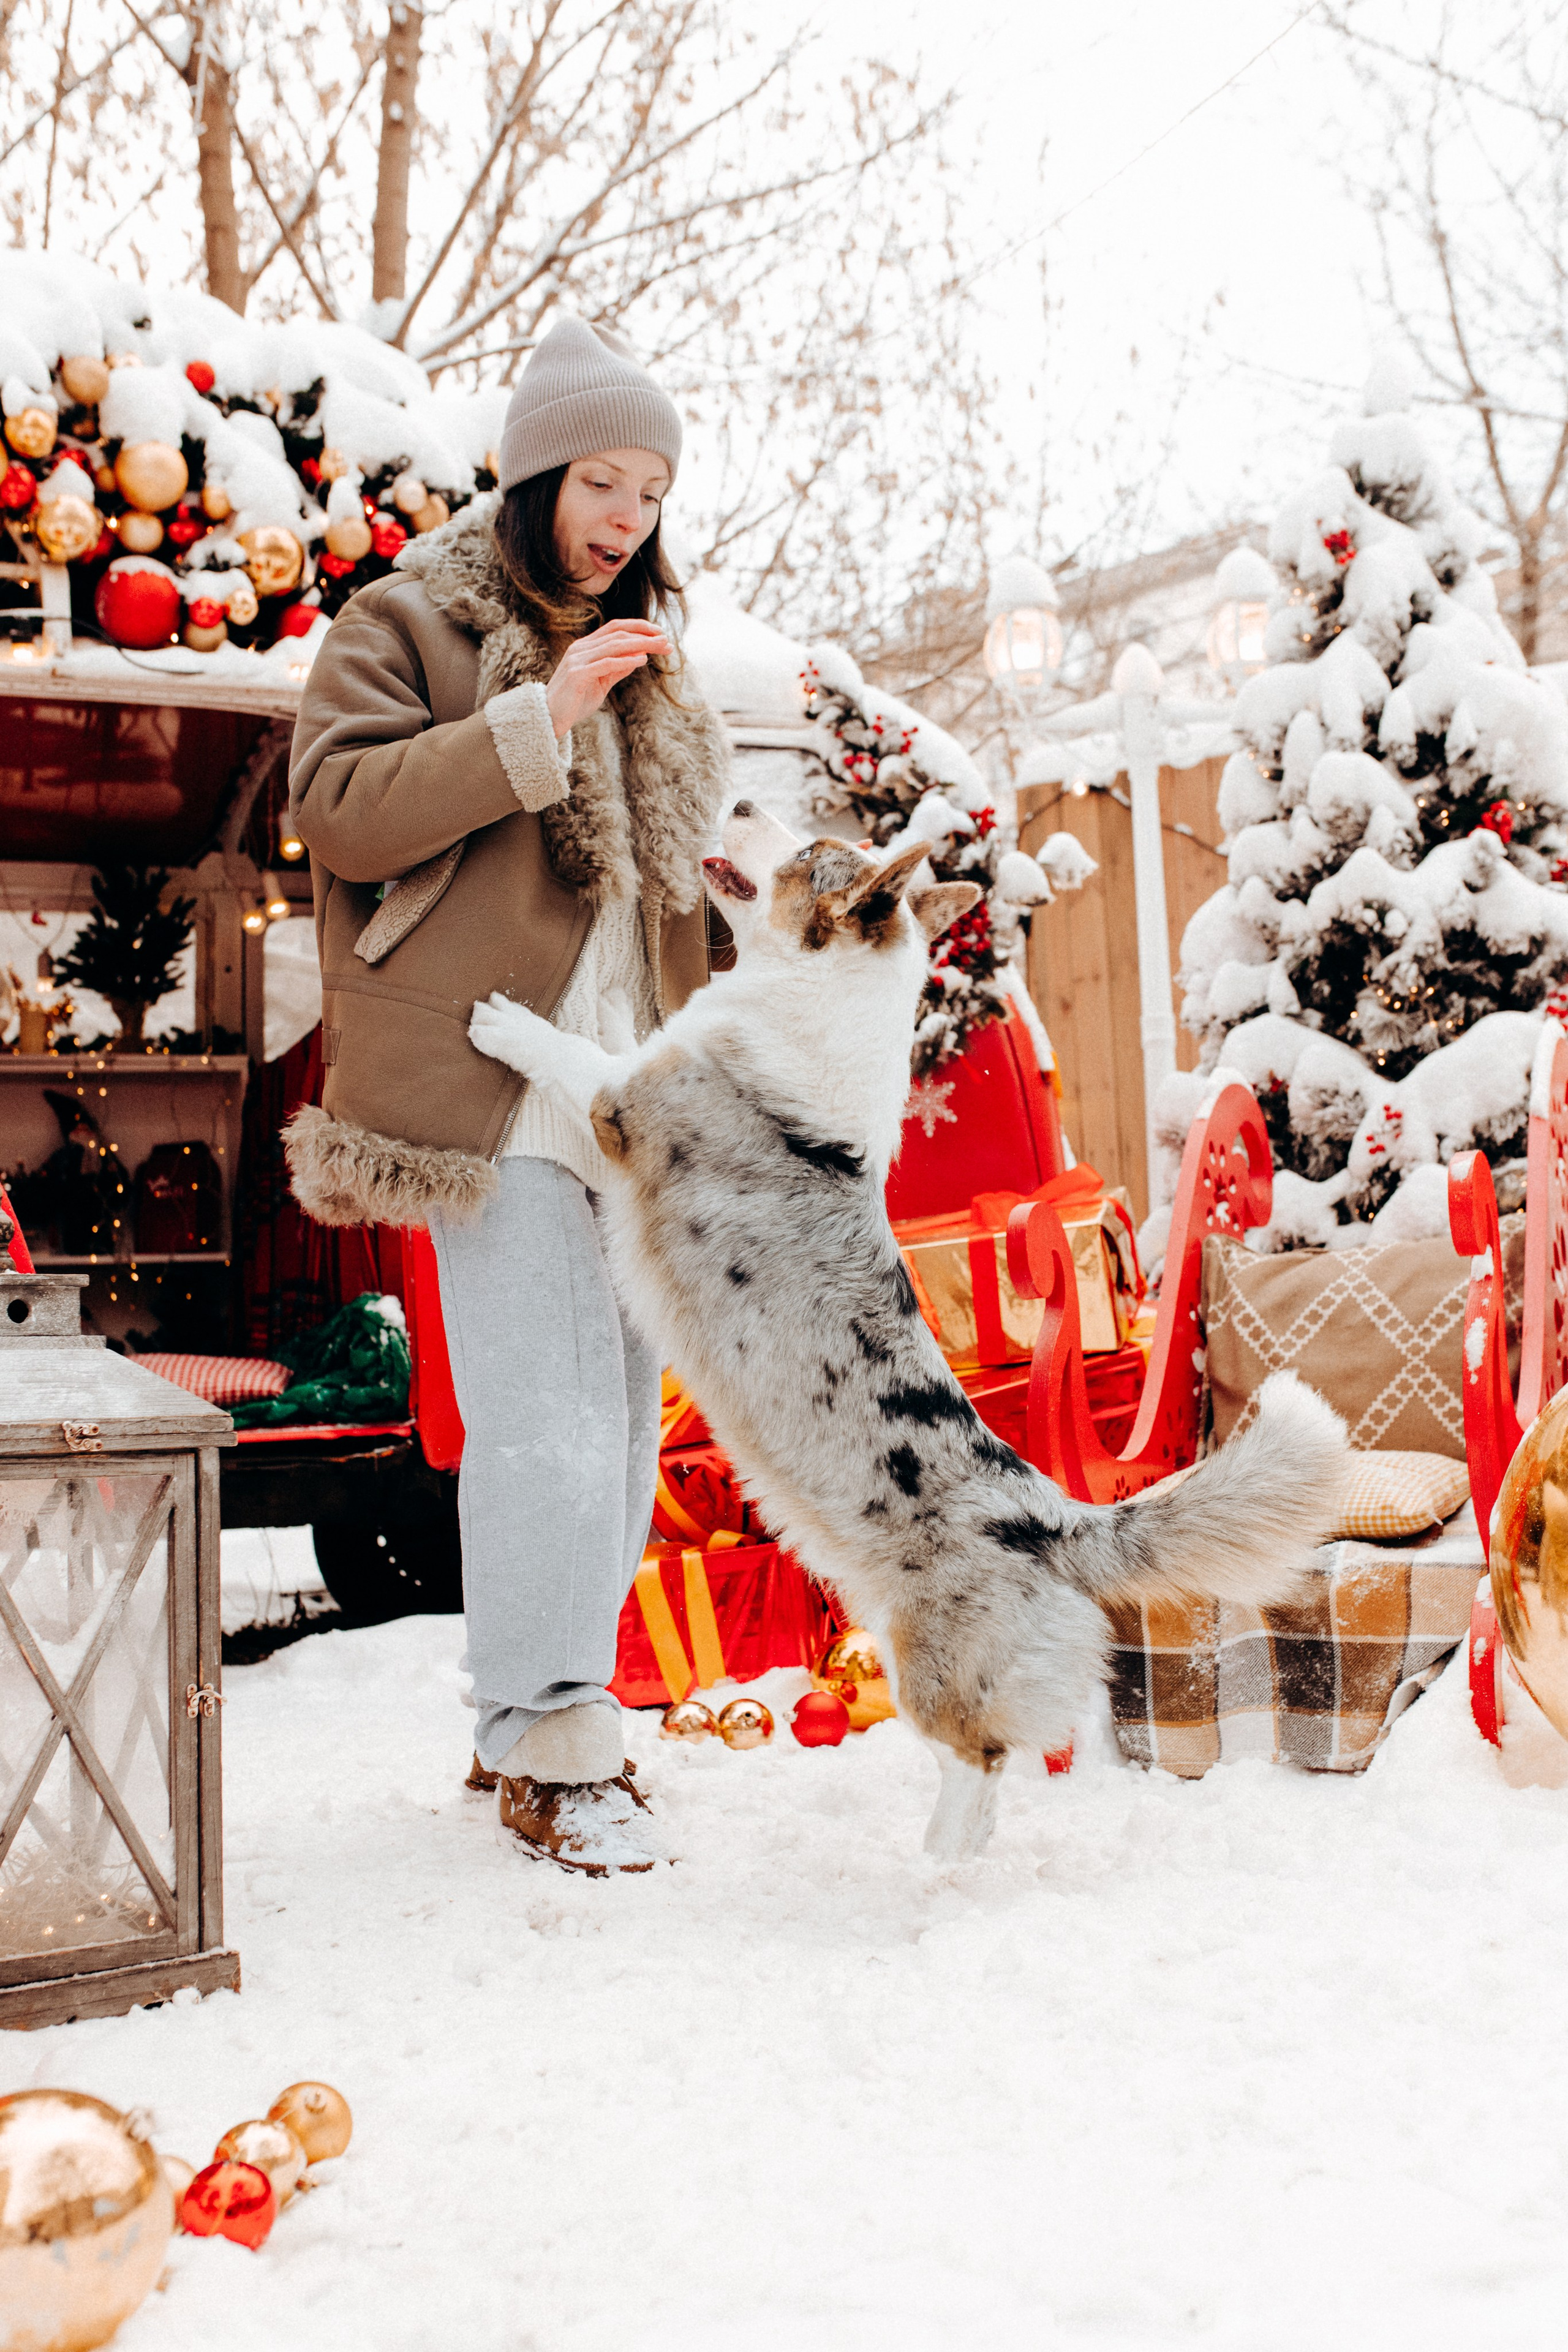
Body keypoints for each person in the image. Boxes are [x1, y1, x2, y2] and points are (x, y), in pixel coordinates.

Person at [285, 315, 731, 1875]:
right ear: (535, 472)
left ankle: (550, 1716)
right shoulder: (406, 618)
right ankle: (548, 1738)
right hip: (485, 1084)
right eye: (601, 479)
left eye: (651, 489)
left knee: (611, 1431)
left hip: (619, 1092)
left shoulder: (655, 659)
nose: (626, 515)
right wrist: (533, 727)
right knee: (536, 1419)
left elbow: (644, 896)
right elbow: (335, 811)